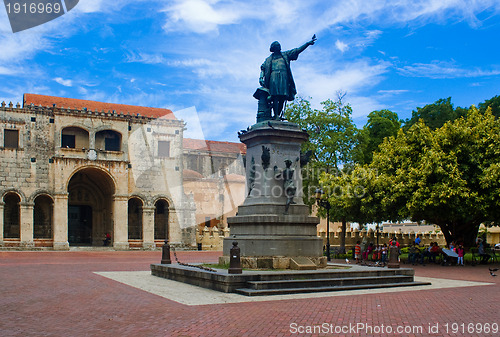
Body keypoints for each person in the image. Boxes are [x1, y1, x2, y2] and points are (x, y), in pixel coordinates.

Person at [259, 36, 316, 119]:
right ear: (273, 48)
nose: (279, 46)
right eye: (277, 46)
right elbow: (263, 68)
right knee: (275, 96)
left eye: (279, 45)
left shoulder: (285, 55)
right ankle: (276, 115)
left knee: (283, 97)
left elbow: (297, 50)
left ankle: (277, 115)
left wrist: (307, 44)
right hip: (274, 77)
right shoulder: (268, 59)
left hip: (284, 77)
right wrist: (261, 77)